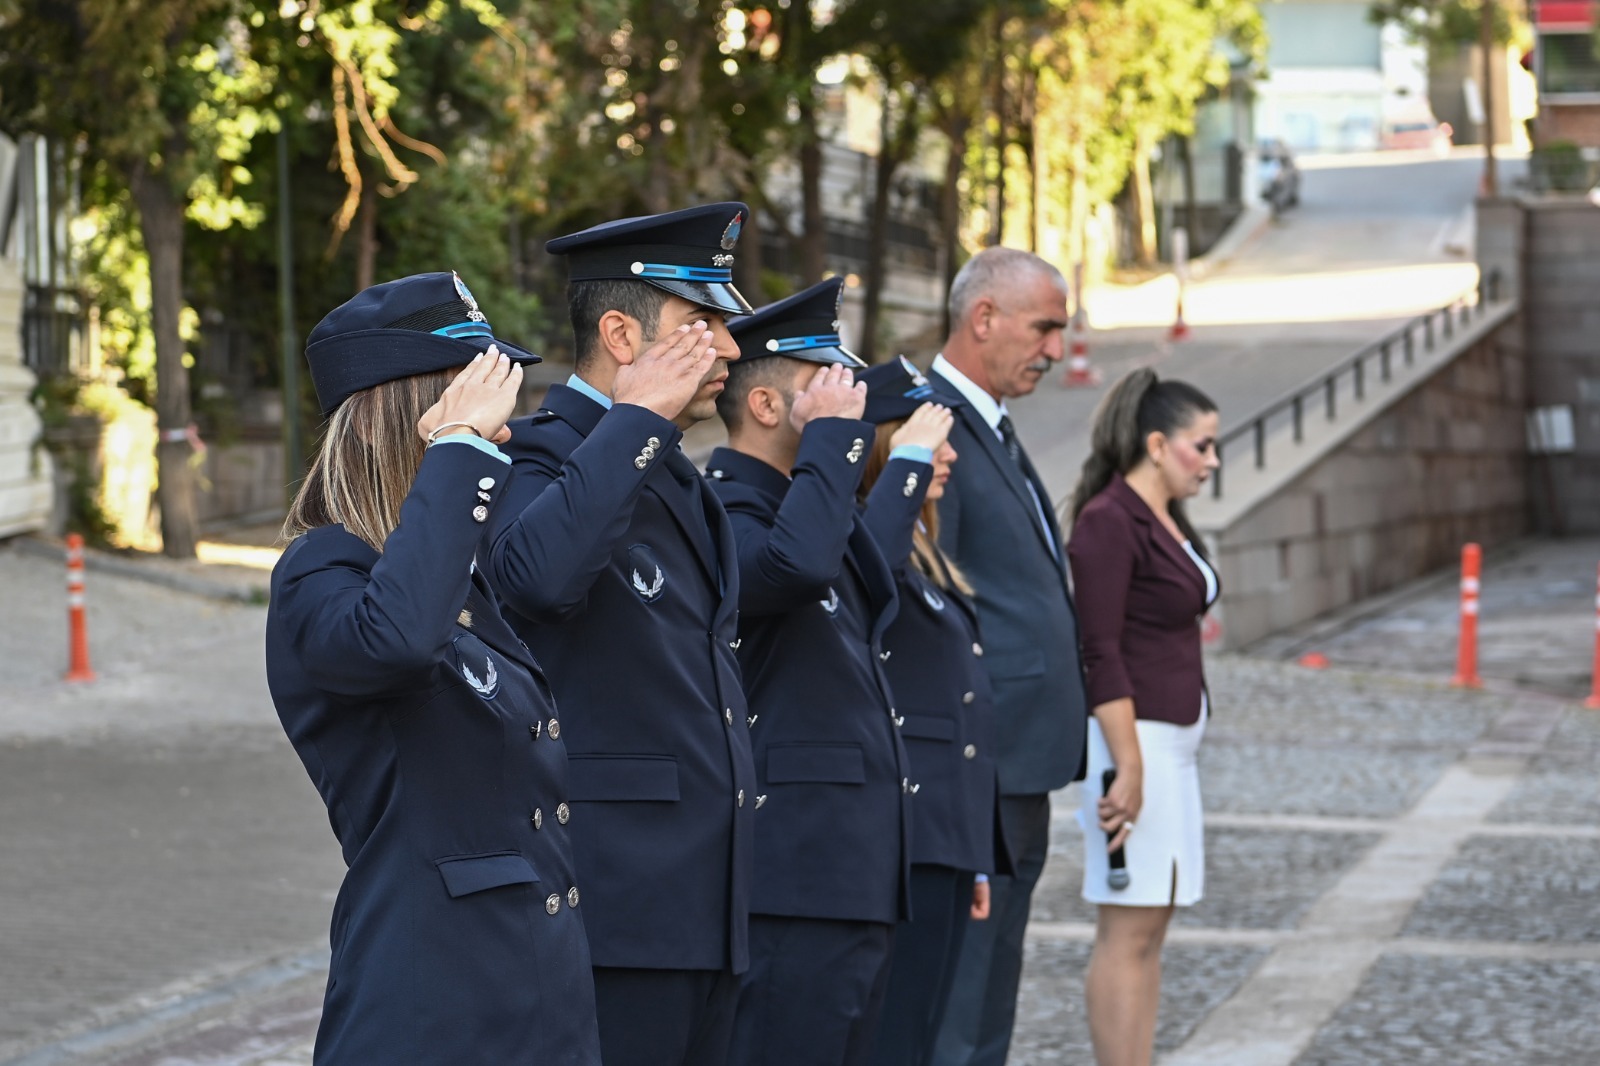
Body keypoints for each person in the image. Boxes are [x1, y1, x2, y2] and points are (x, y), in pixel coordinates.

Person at [265, 271, 600, 1064]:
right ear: (414, 418)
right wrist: (457, 452)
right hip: (429, 1011)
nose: (505, 438)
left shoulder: (458, 578)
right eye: (484, 414)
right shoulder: (320, 574)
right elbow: (399, 641)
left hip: (535, 999)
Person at [478, 203, 758, 1066]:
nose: (732, 349)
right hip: (616, 907)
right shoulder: (538, 455)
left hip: (706, 908)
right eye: (701, 324)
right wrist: (634, 422)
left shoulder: (674, 471)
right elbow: (535, 578)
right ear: (621, 336)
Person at [706, 277, 918, 1066]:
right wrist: (832, 444)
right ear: (767, 407)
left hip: (852, 872)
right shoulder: (726, 513)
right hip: (792, 878)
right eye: (823, 384)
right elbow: (793, 571)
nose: (849, 400)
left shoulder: (816, 508)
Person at [926, 247, 1089, 1066]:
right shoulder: (932, 424)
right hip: (979, 759)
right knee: (961, 990)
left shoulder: (987, 420)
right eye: (1045, 327)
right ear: (982, 318)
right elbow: (931, 604)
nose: (1055, 349)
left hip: (1019, 759)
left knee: (996, 984)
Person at [857, 357, 1012, 1066]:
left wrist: (975, 852)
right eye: (925, 436)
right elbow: (869, 584)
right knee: (897, 1039)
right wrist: (907, 471)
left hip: (944, 838)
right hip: (907, 838)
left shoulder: (922, 544)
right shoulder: (871, 539)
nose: (946, 454)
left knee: (919, 1035)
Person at [1065, 368, 1221, 1066]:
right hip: (1135, 744)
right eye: (1202, 446)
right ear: (1157, 444)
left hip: (1170, 744)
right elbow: (1098, 648)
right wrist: (1126, 764)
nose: (1213, 461)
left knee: (1151, 924)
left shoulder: (1164, 517)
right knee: (1126, 931)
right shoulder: (1108, 520)